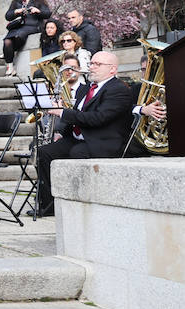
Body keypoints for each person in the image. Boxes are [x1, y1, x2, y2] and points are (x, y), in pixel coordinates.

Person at [36, 51, 134, 216]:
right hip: (79, 139)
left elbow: (98, 118)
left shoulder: (118, 89)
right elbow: (78, 116)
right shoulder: (86, 88)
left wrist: (62, 112)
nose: (92, 67)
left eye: (97, 64)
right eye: (91, 63)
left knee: (77, 153)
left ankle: (80, 207)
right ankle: (49, 206)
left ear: (112, 70)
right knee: (43, 153)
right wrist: (62, 131)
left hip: (102, 142)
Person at [2, 0, 52, 76]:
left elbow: (48, 14)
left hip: (33, 26)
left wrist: (38, 11)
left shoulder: (38, 1)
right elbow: (8, 16)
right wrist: (16, 11)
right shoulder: (16, 2)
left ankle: (9, 52)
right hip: (18, 26)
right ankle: (10, 66)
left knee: (18, 36)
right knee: (7, 41)